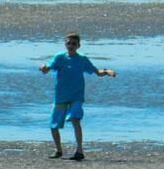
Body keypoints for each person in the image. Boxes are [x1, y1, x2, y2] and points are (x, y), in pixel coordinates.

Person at [39, 33, 116, 161]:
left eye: (74, 44)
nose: (71, 46)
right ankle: (58, 150)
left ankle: (79, 151)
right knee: (54, 125)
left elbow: (96, 72)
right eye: (69, 43)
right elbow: (48, 69)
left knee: (75, 119)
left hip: (76, 96)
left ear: (78, 46)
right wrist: (43, 68)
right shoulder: (59, 58)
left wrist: (107, 71)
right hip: (61, 95)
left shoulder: (82, 59)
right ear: (65, 44)